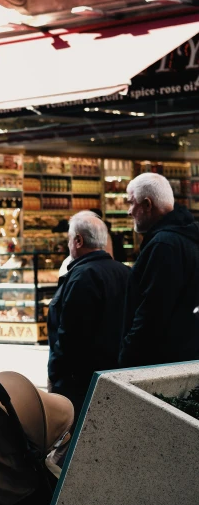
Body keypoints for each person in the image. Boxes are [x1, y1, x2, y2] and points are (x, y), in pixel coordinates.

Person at [48, 211, 130, 424]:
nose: (68, 244)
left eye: (68, 239)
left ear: (78, 240)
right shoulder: (125, 272)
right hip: (117, 375)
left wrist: (56, 377)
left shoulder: (82, 277)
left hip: (81, 383)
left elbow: (70, 335)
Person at [120, 173, 199, 368]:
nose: (129, 212)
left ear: (147, 204)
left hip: (159, 363)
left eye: (132, 203)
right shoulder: (186, 238)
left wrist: (126, 357)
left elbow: (151, 312)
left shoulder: (164, 245)